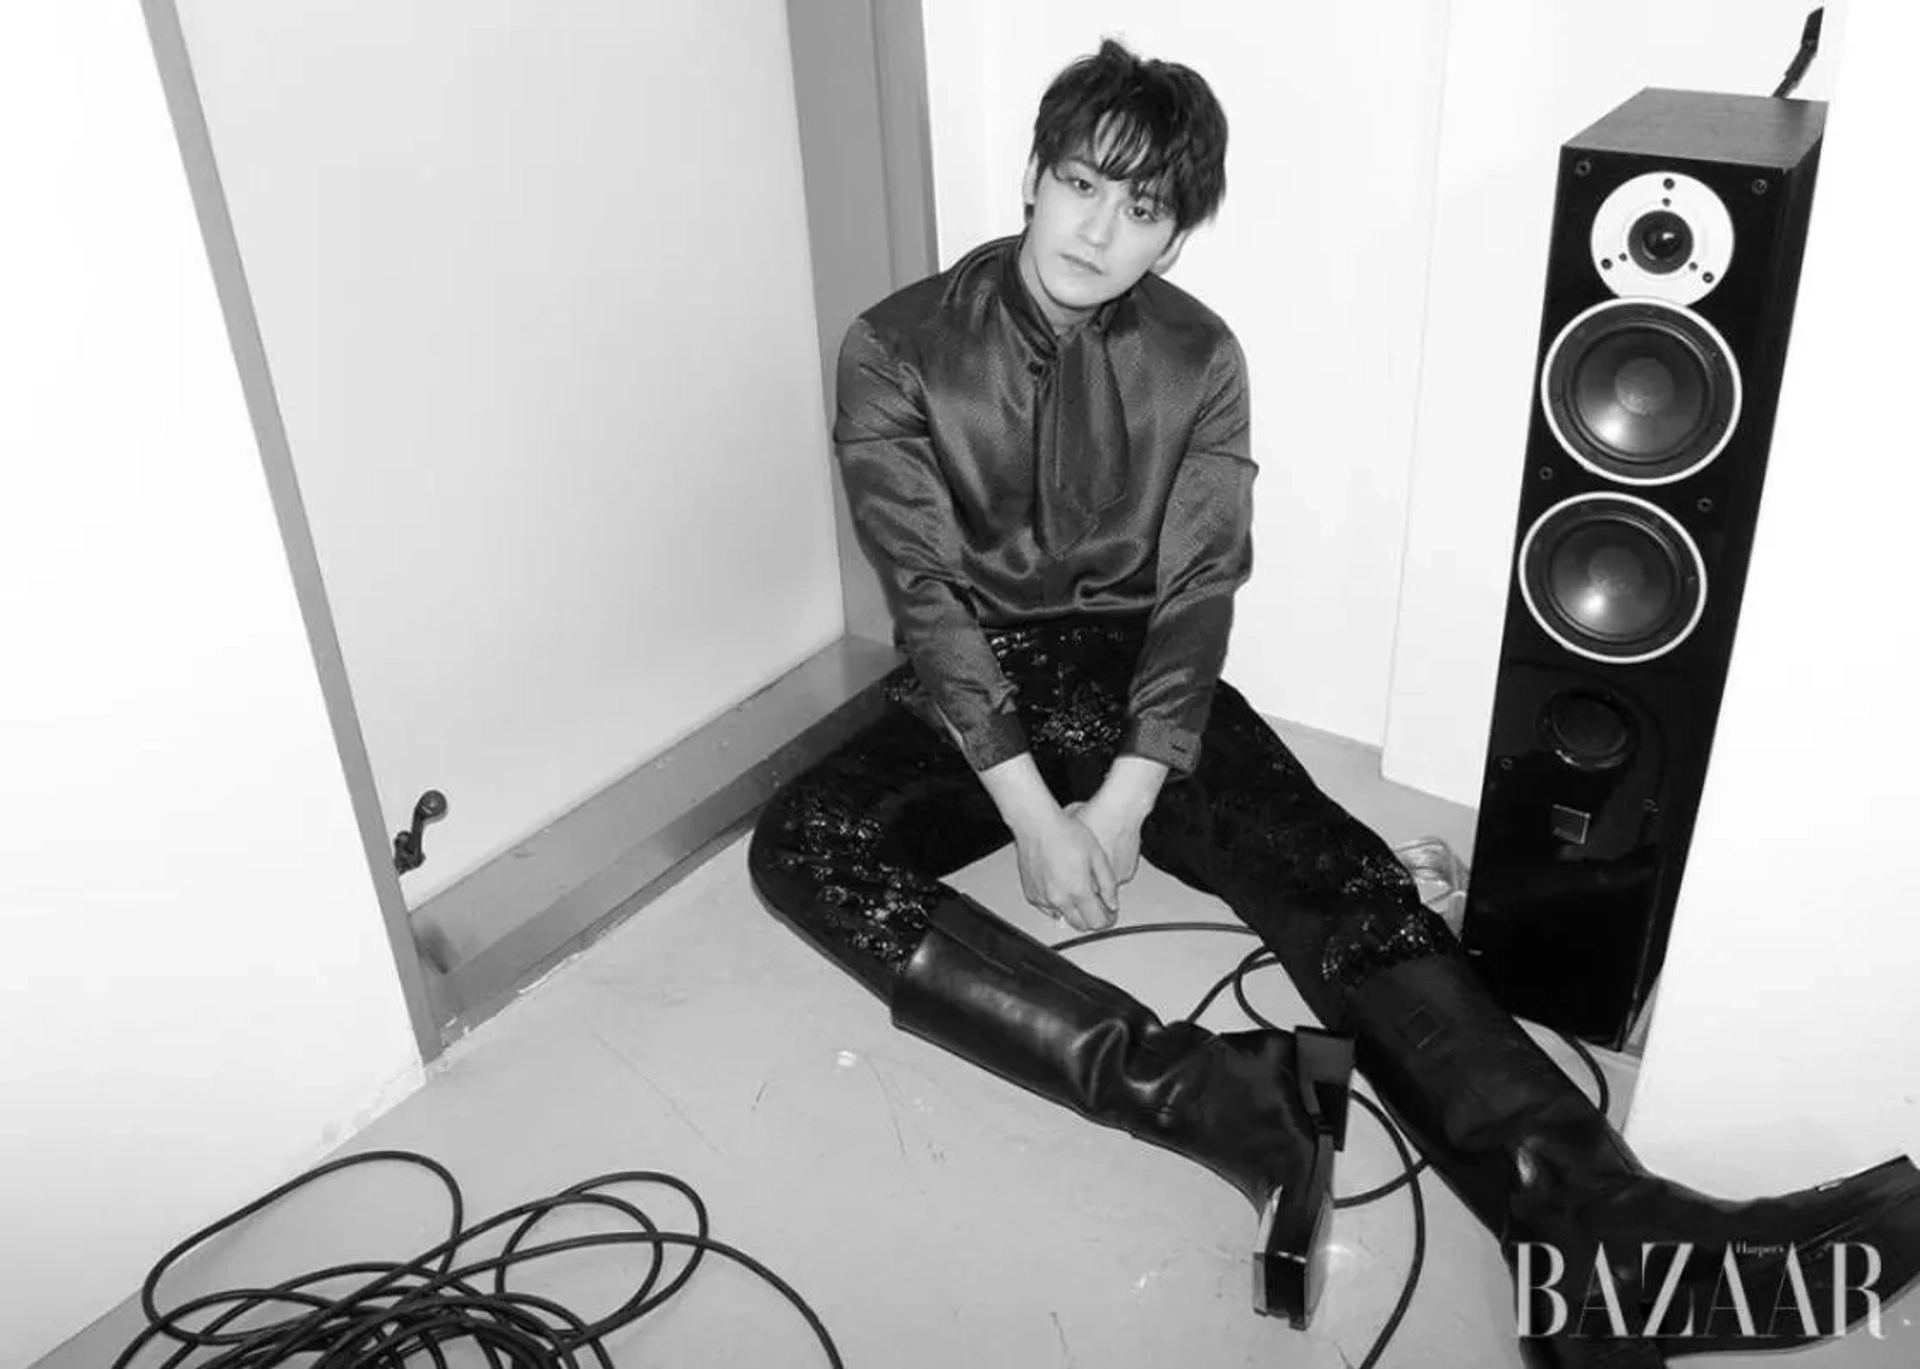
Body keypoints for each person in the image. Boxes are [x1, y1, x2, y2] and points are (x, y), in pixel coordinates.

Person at [748, 38, 1920, 1366]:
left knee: (1332, 871)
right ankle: (1218, 1100)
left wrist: (1125, 797)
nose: (1099, 230)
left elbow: (1199, 588)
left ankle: (1596, 1230)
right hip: (974, 689)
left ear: (1175, 236)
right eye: (1081, 184)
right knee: (802, 848)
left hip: (1142, 683)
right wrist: (1029, 811)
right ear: (1033, 176)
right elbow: (927, 600)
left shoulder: (1199, 354)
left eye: (1143, 208)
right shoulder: (895, 346)